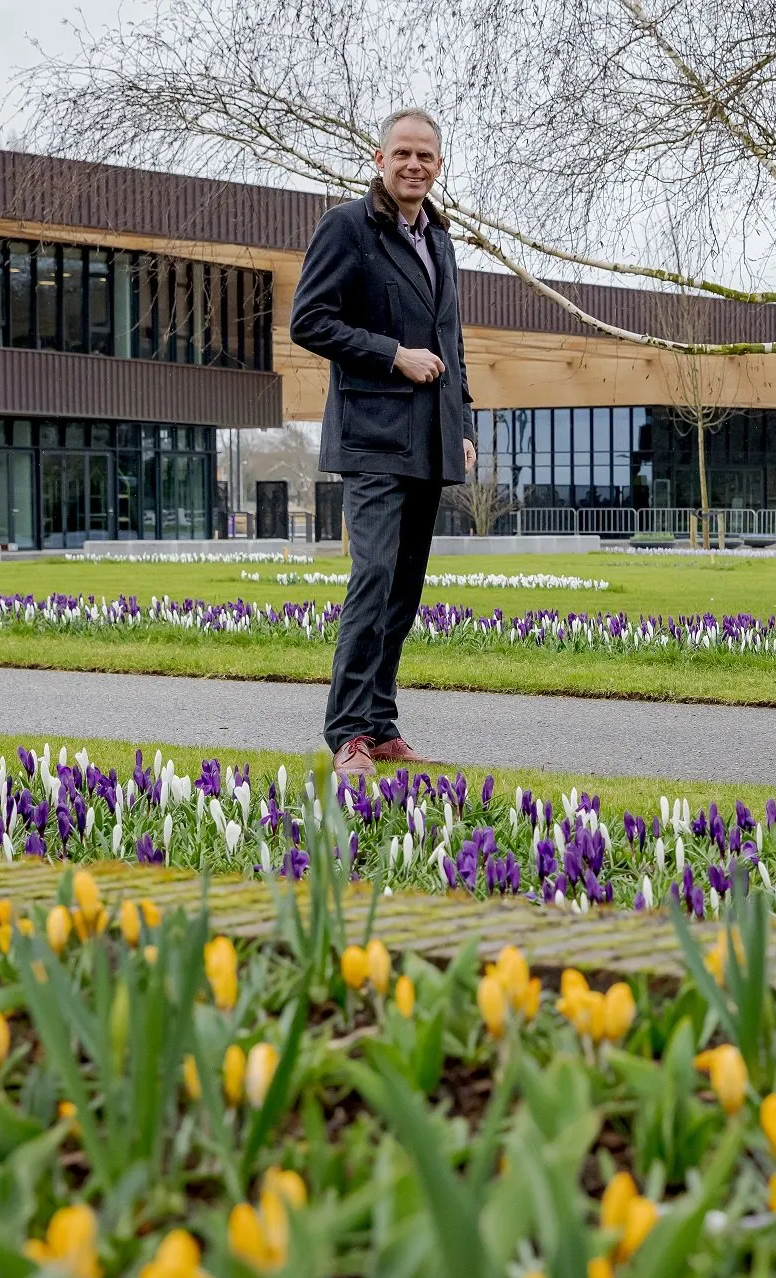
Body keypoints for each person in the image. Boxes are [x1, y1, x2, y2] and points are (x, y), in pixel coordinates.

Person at [291, 106, 475, 779]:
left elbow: (452, 342)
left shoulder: (441, 240)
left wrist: (465, 426)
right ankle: (346, 733)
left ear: (438, 165)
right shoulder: (347, 228)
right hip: (371, 437)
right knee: (371, 577)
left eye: (425, 156)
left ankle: (381, 723)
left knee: (403, 589)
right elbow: (309, 322)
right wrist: (393, 354)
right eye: (402, 154)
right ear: (379, 159)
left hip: (429, 437)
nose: (413, 165)